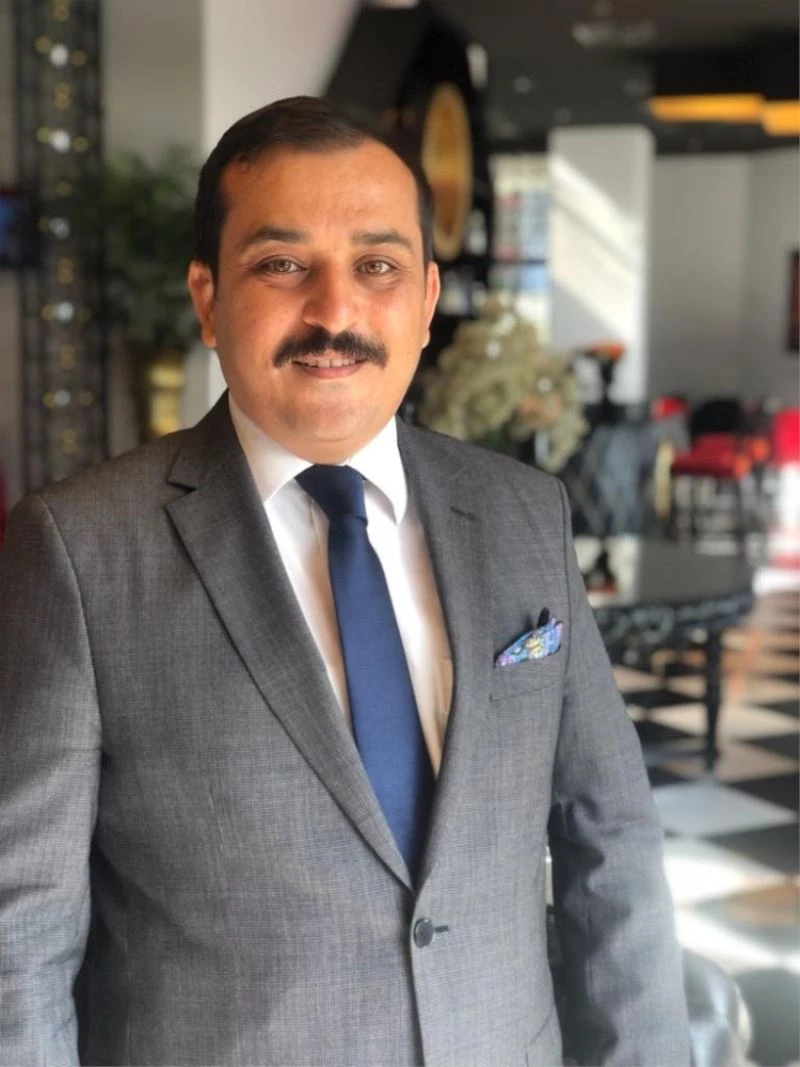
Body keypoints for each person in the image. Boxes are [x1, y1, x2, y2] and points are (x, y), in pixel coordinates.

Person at [0, 96, 690, 1067]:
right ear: (207, 296)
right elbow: (19, 934)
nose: (334, 311)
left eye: (377, 266)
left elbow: (609, 841)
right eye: (282, 265)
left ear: (425, 299)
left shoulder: (523, 513)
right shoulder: (79, 550)